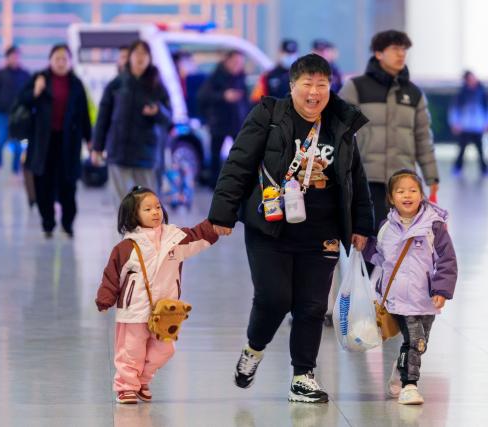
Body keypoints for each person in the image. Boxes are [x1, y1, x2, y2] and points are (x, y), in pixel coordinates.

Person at [208, 54, 373, 403]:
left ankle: (303, 377)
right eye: (307, 85)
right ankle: (254, 349)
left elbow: (354, 178)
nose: (314, 93)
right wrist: (222, 213)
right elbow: (239, 162)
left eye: (322, 85)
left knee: (312, 306)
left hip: (322, 229)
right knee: (274, 298)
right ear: (293, 86)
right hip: (270, 227)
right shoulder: (269, 115)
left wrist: (361, 224)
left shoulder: (340, 123)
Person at [95, 186, 219, 404]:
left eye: (158, 207)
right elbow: (112, 274)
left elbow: (198, 237)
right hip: (134, 309)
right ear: (134, 215)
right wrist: (106, 298)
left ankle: (142, 379)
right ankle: (126, 386)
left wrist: (216, 226)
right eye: (148, 209)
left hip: (166, 310)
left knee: (165, 350)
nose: (155, 212)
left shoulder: (175, 239)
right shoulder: (127, 247)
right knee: (130, 351)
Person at [364, 169, 457, 405]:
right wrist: (363, 247)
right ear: (391, 197)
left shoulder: (433, 226)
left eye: (413, 190)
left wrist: (441, 290)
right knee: (414, 341)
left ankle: (400, 370)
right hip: (397, 297)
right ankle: (409, 385)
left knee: (420, 343)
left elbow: (447, 260)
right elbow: (379, 256)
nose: (407, 195)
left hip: (425, 297)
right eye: (401, 191)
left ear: (422, 195)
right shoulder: (387, 227)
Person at [339, 29, 439, 230]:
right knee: (368, 239)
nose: (401, 54)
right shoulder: (356, 87)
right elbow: (338, 131)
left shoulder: (414, 93)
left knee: (400, 240)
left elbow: (423, 137)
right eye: (395, 49)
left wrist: (431, 177)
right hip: (367, 178)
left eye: (404, 49)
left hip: (403, 181)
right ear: (378, 53)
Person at [17, 44, 91, 238]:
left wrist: (90, 140)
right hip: (43, 141)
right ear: (50, 60)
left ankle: (67, 223)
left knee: (68, 183)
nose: (60, 62)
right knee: (43, 183)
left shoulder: (76, 83)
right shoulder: (40, 78)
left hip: (69, 141)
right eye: (57, 58)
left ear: (70, 61)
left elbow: (83, 114)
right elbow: (22, 100)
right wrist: (36, 91)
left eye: (64, 59)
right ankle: (47, 222)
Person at [92, 40, 172, 202]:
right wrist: (97, 147)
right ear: (129, 57)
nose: (140, 57)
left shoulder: (157, 86)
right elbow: (103, 118)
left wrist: (157, 111)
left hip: (146, 155)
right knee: (122, 204)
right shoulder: (117, 83)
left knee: (146, 205)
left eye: (145, 53)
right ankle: (126, 229)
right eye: (137, 53)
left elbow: (169, 118)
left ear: (150, 58)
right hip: (118, 152)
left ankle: (143, 229)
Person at [198, 50, 249, 188]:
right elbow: (203, 96)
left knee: (240, 154)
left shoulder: (241, 77)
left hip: (237, 122)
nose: (237, 65)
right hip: (218, 122)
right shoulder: (216, 77)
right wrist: (223, 96)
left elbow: (245, 101)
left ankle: (238, 181)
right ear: (227, 61)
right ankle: (214, 183)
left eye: (240, 63)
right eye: (235, 62)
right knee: (215, 155)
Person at [0, 45, 31, 179]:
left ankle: (15, 171)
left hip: (18, 116)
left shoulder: (25, 74)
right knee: (0, 142)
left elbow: (30, 94)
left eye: (17, 56)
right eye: (12, 56)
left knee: (17, 145)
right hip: (2, 114)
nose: (14, 59)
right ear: (7, 58)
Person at [448, 70, 488, 177]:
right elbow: (455, 109)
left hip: (478, 126)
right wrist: (455, 123)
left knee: (480, 150)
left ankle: (484, 169)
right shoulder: (461, 94)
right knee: (462, 149)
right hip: (465, 126)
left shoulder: (482, 92)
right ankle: (457, 167)